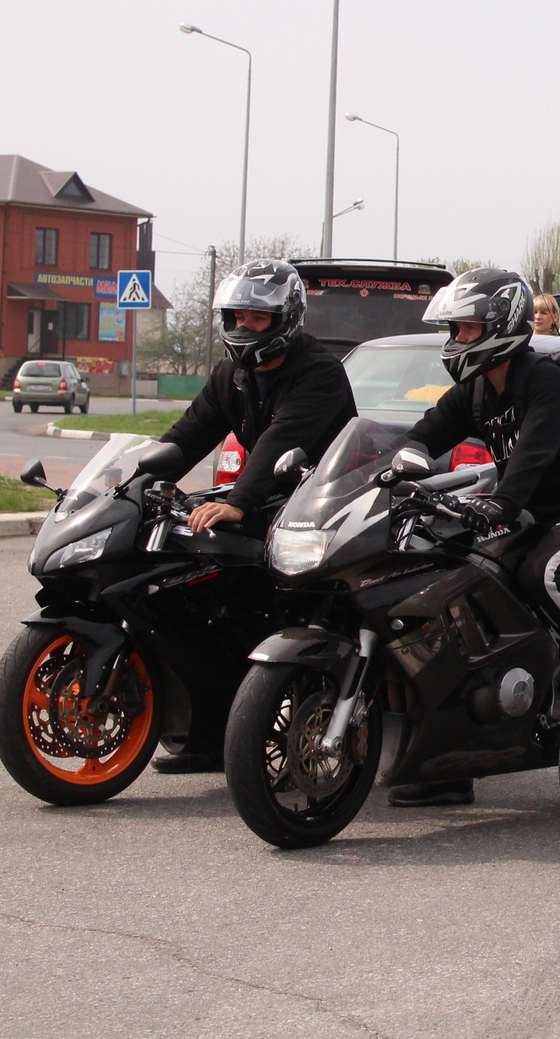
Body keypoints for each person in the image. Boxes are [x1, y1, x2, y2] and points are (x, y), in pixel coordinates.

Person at [389, 267, 560, 808]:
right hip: (516, 517)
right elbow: (426, 431)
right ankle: (450, 760)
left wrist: (501, 504)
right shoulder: (474, 391)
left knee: (542, 574)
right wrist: (402, 461)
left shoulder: (546, 381)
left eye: (466, 329)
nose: (455, 341)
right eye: (454, 330)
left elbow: (532, 457)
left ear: (502, 326)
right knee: (450, 584)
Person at [153, 259, 358, 773]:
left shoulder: (318, 370)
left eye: (257, 319)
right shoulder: (233, 374)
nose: (244, 328)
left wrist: (237, 501)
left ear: (286, 318)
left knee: (270, 602)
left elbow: (279, 441)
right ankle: (208, 734)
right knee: (181, 589)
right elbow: (190, 432)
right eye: (237, 317)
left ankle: (287, 714)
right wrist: (140, 476)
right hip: (272, 499)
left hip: (323, 505)